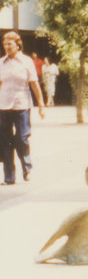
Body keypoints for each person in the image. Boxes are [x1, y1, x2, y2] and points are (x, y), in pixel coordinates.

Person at [0, 32, 44, 184]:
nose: (7, 47)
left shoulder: (26, 62)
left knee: (22, 138)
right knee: (5, 141)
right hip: (4, 107)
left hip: (22, 105)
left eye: (10, 44)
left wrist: (41, 104)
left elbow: (34, 84)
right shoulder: (1, 63)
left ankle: (27, 167)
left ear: (17, 45)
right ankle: (9, 177)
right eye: (5, 44)